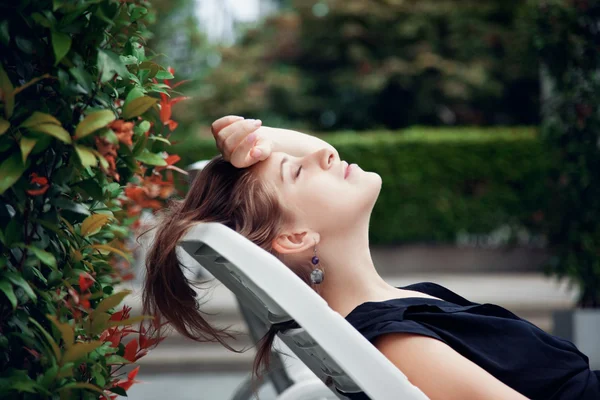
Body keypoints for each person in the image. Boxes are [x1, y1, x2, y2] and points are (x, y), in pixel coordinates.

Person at [142, 116, 600, 400]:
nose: (323, 151)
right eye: (297, 169)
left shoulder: (396, 308)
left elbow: (319, 149)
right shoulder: (395, 343)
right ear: (298, 236)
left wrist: (245, 131)